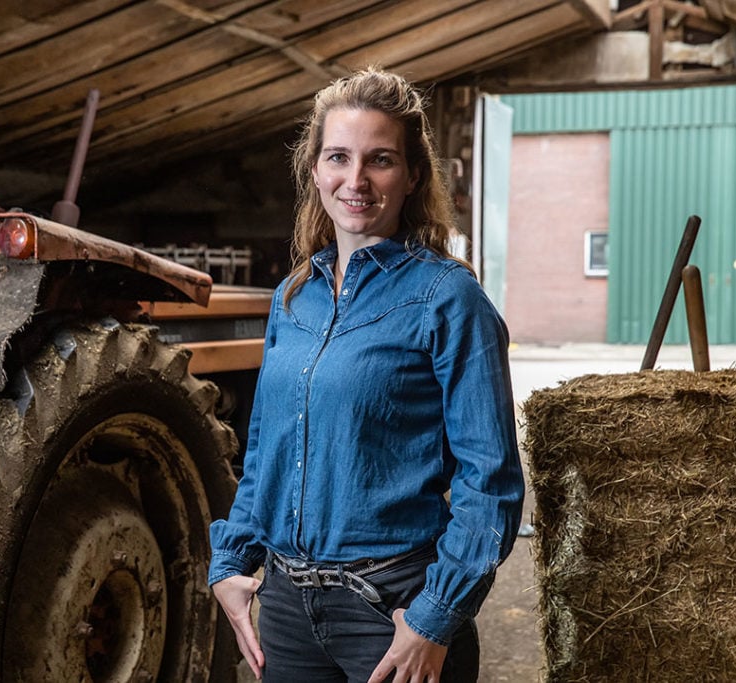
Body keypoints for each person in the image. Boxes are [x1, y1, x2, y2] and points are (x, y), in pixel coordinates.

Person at [208, 67, 524, 683]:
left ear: (411, 176)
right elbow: (267, 452)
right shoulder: (293, 298)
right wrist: (229, 565)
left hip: (391, 612)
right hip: (288, 613)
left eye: (379, 159)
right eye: (338, 157)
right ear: (316, 170)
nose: (356, 180)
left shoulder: (447, 298)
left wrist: (437, 617)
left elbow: (491, 484)